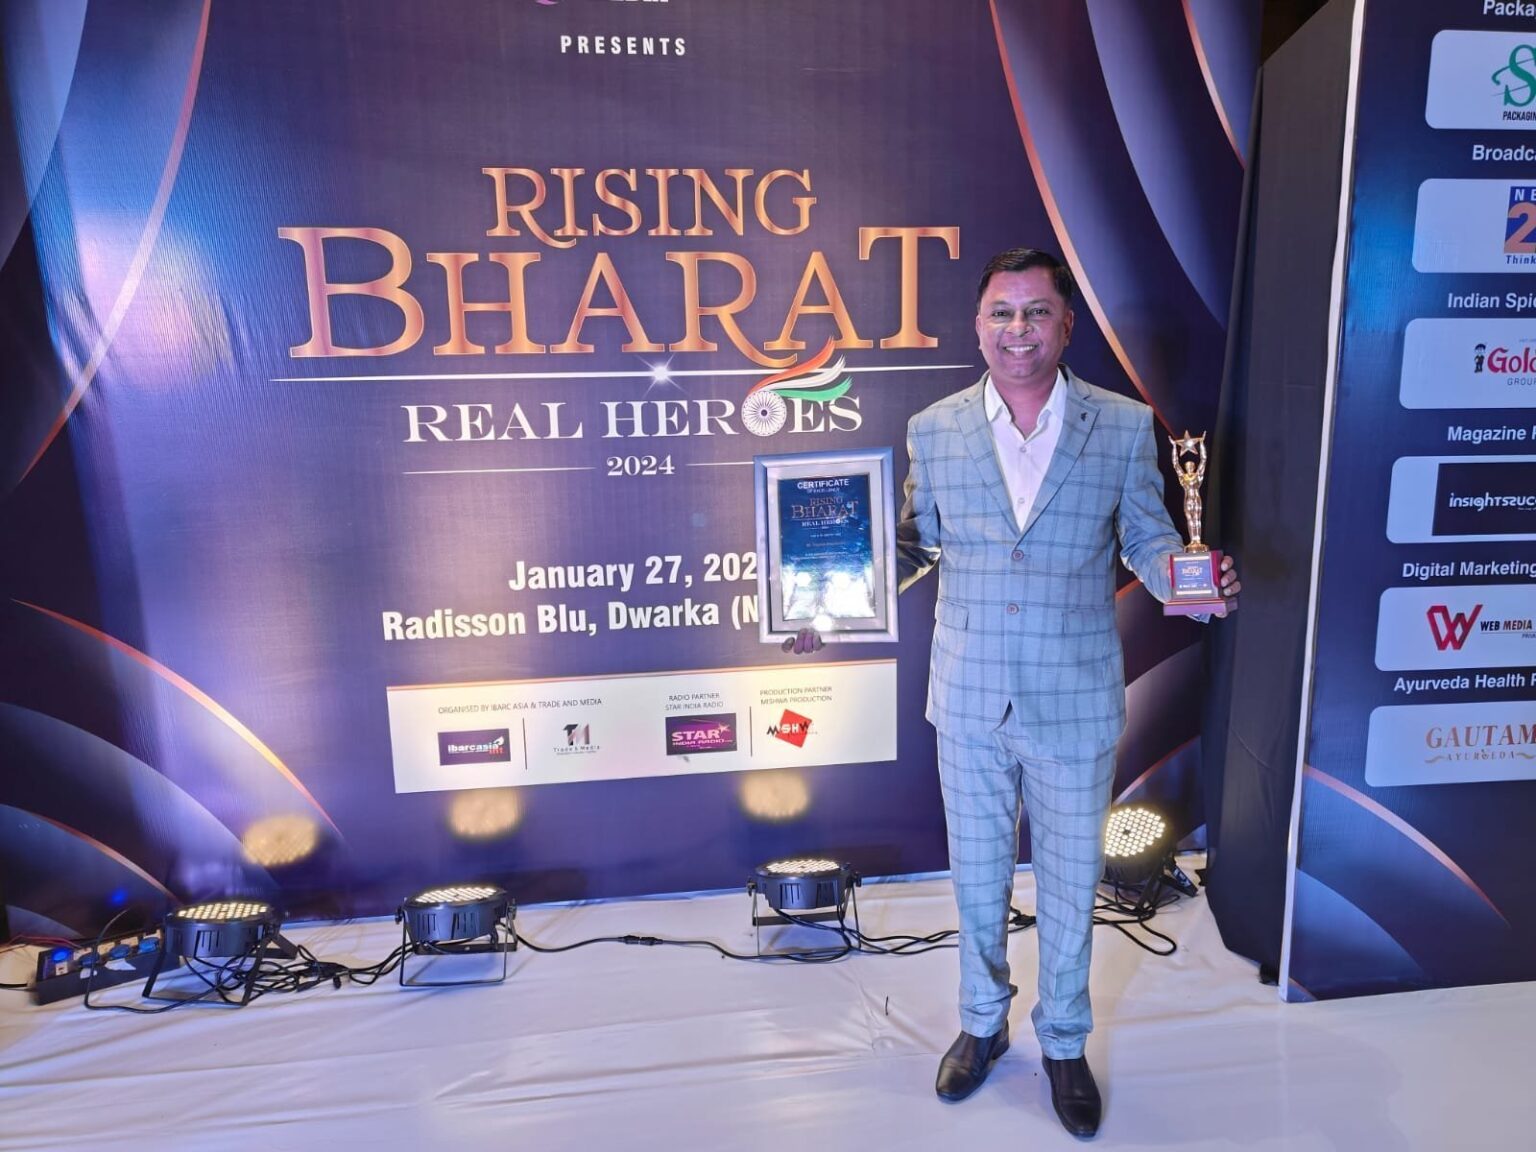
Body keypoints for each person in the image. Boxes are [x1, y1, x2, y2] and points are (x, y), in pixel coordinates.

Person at [896, 248, 1238, 1137]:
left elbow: (1150, 537)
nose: (1019, 329)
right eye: (1002, 313)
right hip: (969, 697)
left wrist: (1190, 579)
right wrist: (830, 598)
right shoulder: (933, 429)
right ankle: (981, 1024)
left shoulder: (1121, 426)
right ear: (978, 326)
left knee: (1070, 882)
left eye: (1036, 311)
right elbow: (914, 542)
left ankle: (1062, 1041)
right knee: (977, 879)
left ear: (1066, 325)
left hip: (1075, 698)